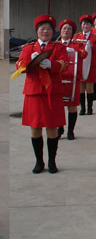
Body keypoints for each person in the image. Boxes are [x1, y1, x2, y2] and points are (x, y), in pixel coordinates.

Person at [14, 15, 68, 173]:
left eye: (49, 29)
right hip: (34, 93)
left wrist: (51, 64)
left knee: (52, 128)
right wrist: (29, 63)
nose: (45, 32)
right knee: (35, 128)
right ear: (37, 31)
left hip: (52, 93)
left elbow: (64, 64)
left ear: (53, 32)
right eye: (42, 29)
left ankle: (52, 161)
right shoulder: (28, 48)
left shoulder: (59, 48)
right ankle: (39, 161)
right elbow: (19, 66)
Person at [56, 19, 88, 140]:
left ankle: (70, 131)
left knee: (72, 106)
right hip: (58, 79)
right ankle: (59, 129)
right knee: (59, 106)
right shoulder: (55, 45)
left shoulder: (78, 44)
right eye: (64, 28)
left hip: (73, 79)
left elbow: (84, 54)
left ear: (73, 32)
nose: (66, 31)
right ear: (60, 31)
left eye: (69, 29)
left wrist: (75, 52)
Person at [73, 15, 96, 115]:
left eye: (88, 24)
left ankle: (90, 108)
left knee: (89, 87)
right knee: (81, 87)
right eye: (84, 24)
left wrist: (91, 45)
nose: (86, 26)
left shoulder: (95, 37)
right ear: (81, 25)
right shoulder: (76, 37)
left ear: (91, 25)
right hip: (80, 65)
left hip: (90, 65)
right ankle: (82, 108)